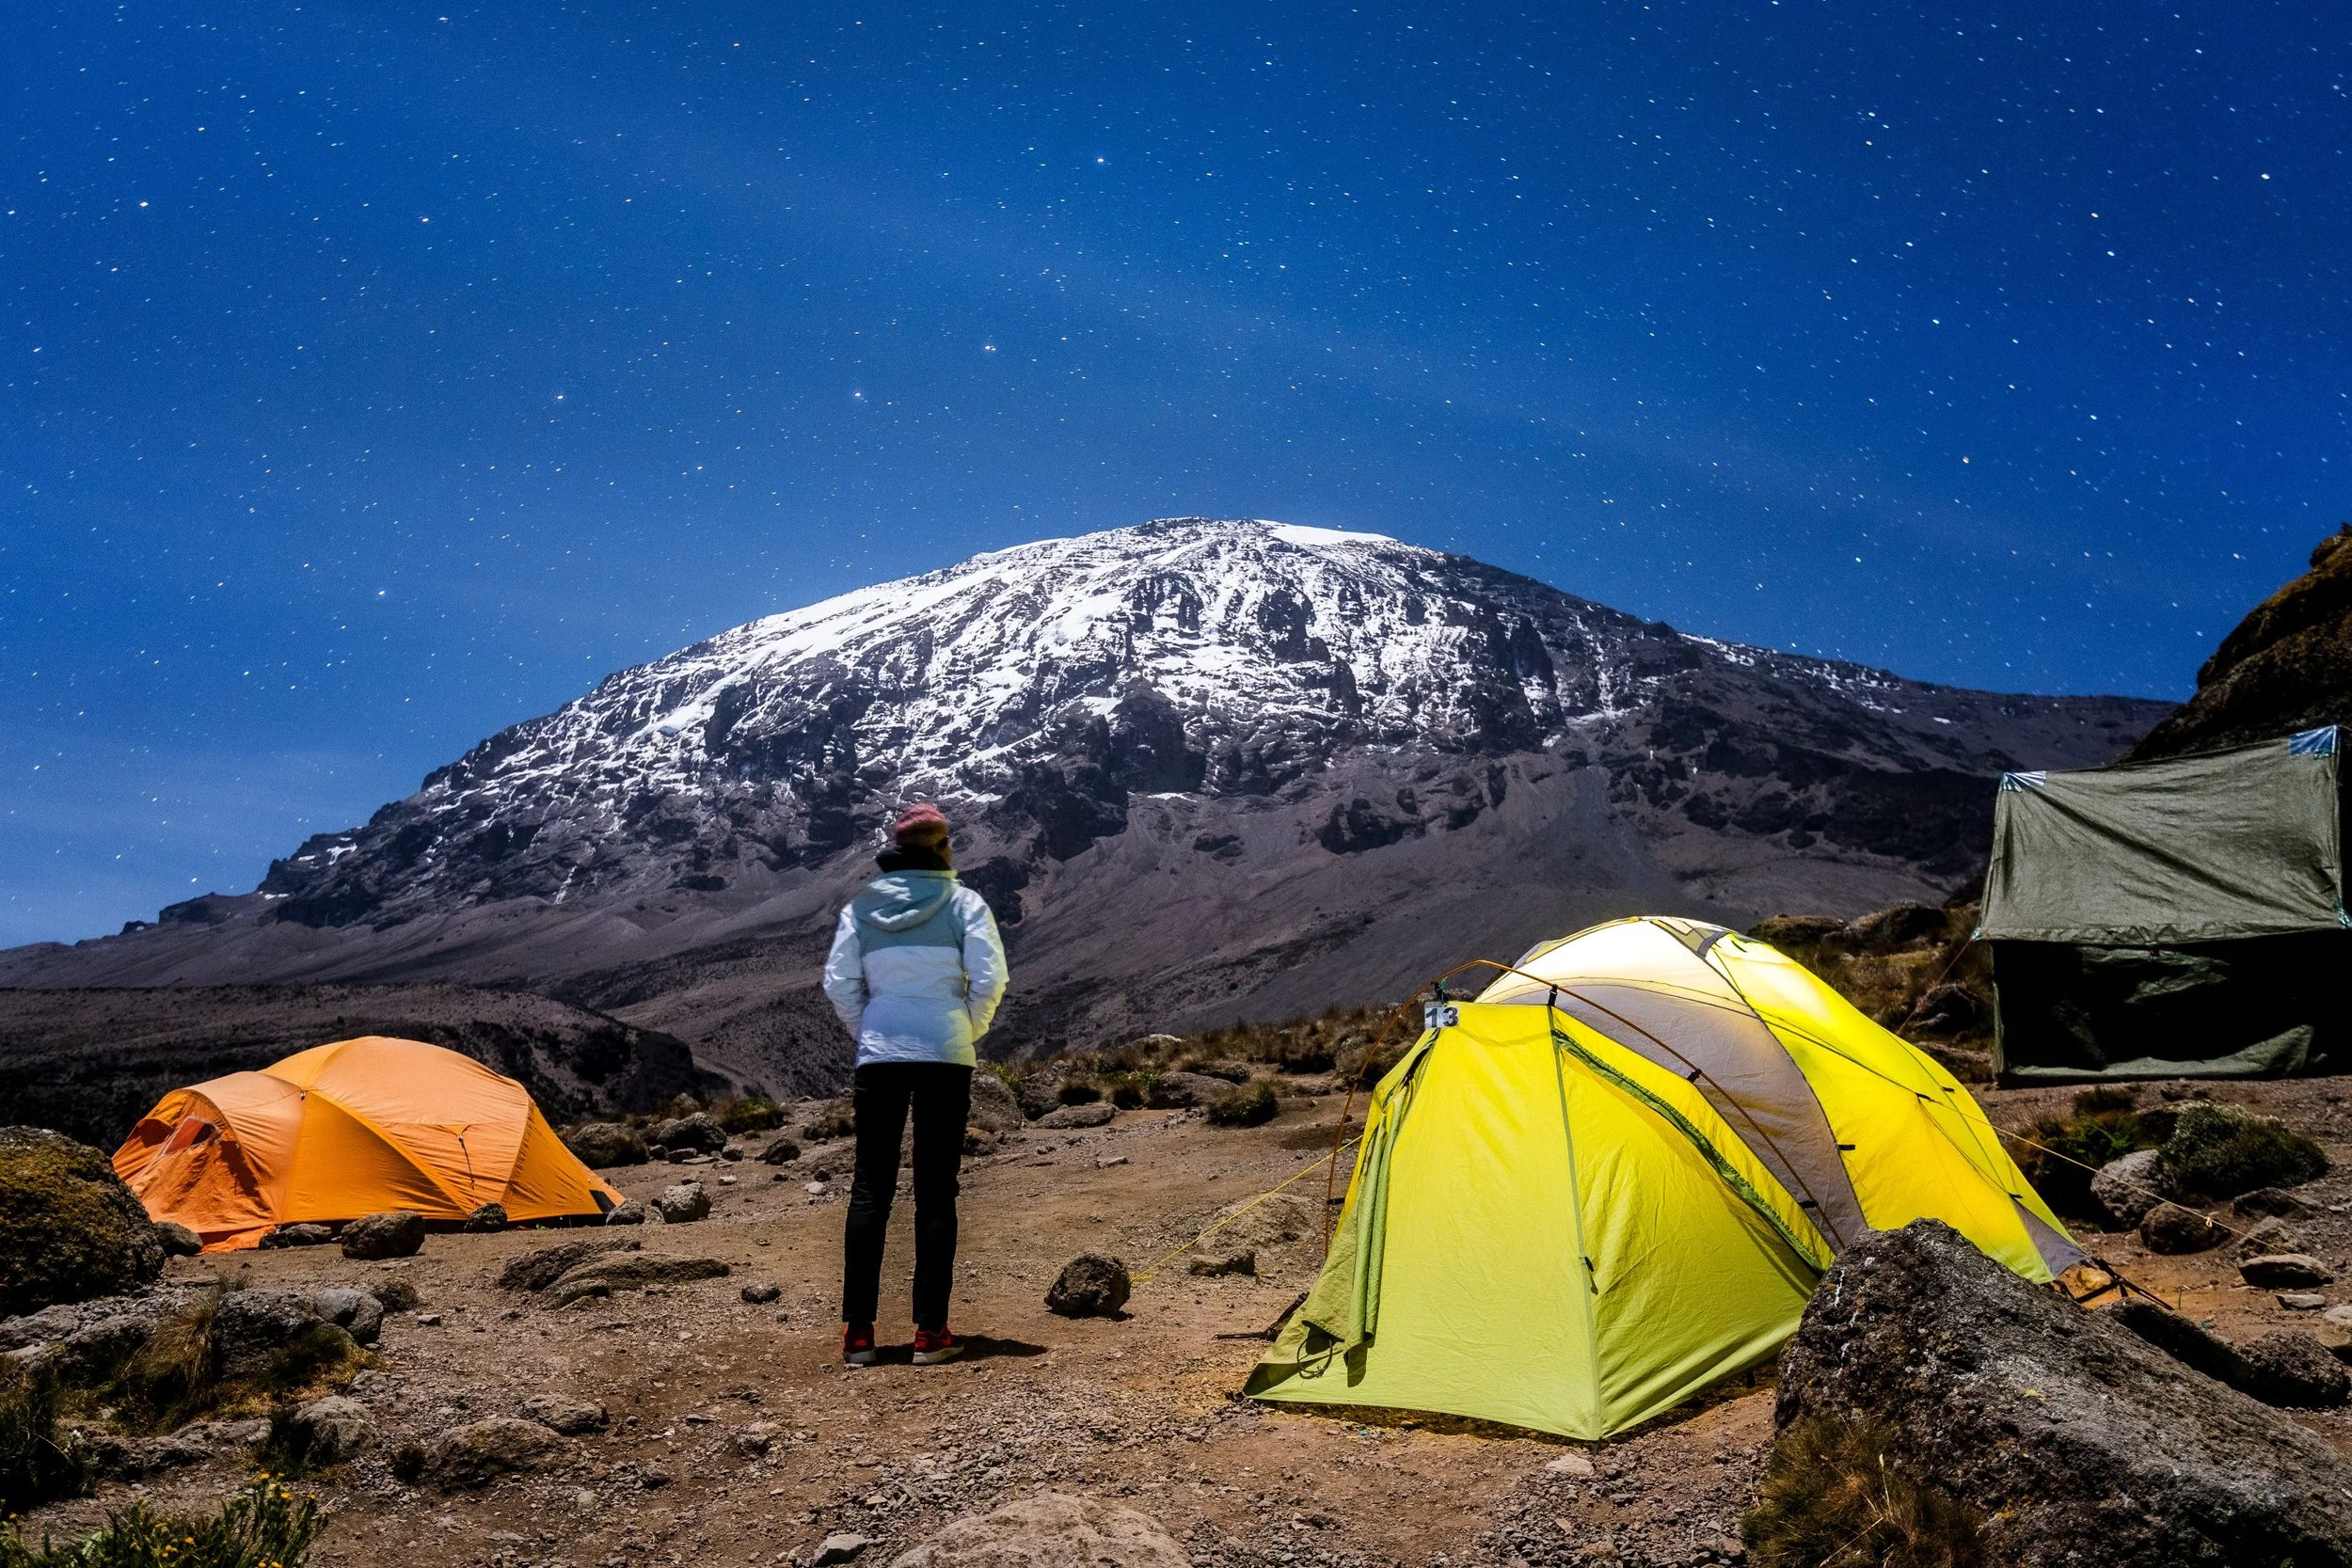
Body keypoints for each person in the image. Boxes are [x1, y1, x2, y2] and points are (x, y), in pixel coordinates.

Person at [820, 802, 1009, 1367]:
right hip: (945, 1053)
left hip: (879, 1055)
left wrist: (870, 1029)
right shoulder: (965, 904)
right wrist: (964, 1027)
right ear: (942, 849)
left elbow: (838, 981)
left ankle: (859, 1334)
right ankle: (930, 1332)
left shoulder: (862, 907)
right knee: (936, 1190)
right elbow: (991, 977)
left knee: (870, 1188)